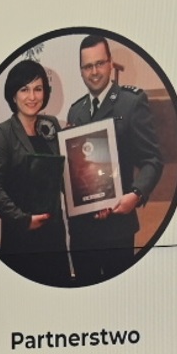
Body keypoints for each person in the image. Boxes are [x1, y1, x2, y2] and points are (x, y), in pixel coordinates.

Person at [65, 32, 163, 282]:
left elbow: (152, 160)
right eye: (87, 66)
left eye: (99, 63)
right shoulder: (75, 112)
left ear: (110, 63)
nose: (94, 72)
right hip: (82, 232)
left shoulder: (131, 103)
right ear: (81, 71)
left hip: (116, 230)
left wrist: (136, 195)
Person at [0, 58, 71, 284]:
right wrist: (23, 220)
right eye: (24, 89)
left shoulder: (52, 125)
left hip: (54, 235)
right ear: (13, 95)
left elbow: (63, 176)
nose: (32, 96)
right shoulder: (4, 133)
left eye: (38, 89)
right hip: (22, 238)